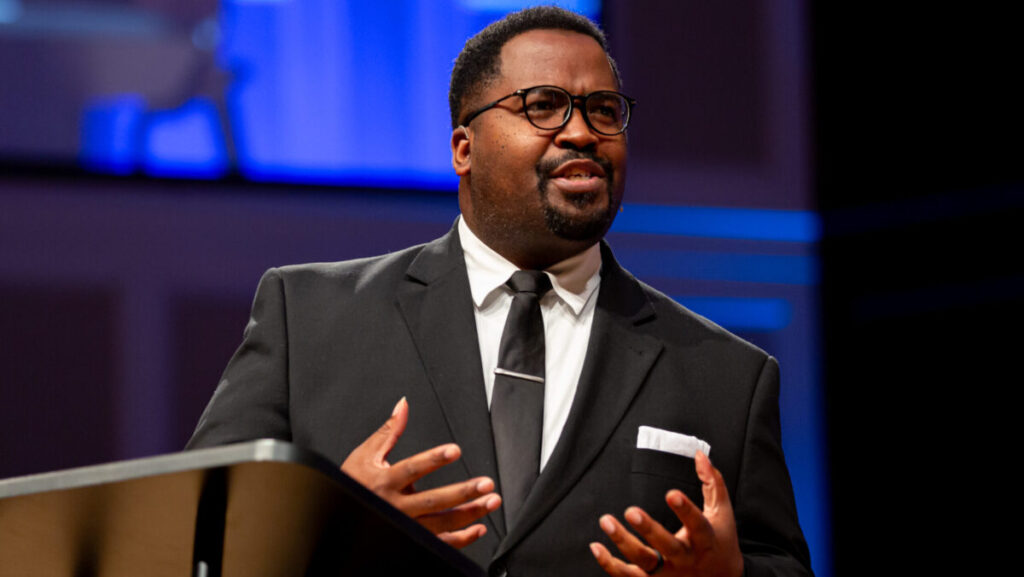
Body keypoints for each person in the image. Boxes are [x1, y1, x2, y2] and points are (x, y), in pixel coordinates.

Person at [187, 7, 813, 577]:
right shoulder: (307, 318)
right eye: (543, 105)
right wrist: (324, 526)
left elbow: (780, 565)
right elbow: (188, 538)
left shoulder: (726, 375)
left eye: (603, 110)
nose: (582, 132)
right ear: (465, 148)